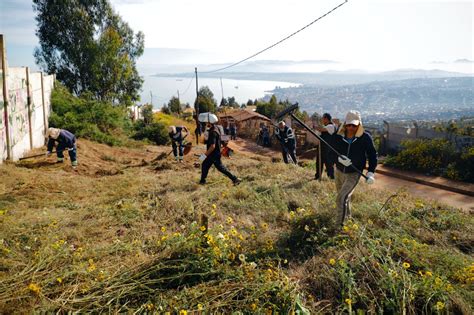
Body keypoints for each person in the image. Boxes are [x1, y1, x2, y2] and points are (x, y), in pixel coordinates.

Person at [332, 110, 377, 226]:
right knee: (344, 199)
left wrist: (370, 172)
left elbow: (372, 155)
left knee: (340, 199)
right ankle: (349, 220)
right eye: (348, 125)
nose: (351, 128)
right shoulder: (339, 136)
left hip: (354, 173)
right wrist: (338, 158)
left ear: (359, 124)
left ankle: (338, 228)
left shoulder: (365, 138)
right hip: (339, 171)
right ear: (345, 124)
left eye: (354, 125)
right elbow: (331, 151)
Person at [198, 113, 241, 185]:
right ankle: (202, 181)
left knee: (220, 168)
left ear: (209, 122)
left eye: (206, 122)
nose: (205, 123)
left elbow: (212, 146)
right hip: (215, 154)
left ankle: (235, 179)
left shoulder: (213, 132)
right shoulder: (216, 128)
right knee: (205, 165)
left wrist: (204, 155)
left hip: (213, 154)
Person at [314, 113, 337, 180]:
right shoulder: (326, 126)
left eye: (323, 118)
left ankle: (331, 177)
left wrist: (315, 126)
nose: (322, 120)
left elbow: (322, 129)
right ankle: (318, 176)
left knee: (329, 163)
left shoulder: (331, 126)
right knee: (319, 162)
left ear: (326, 119)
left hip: (328, 149)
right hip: (322, 147)